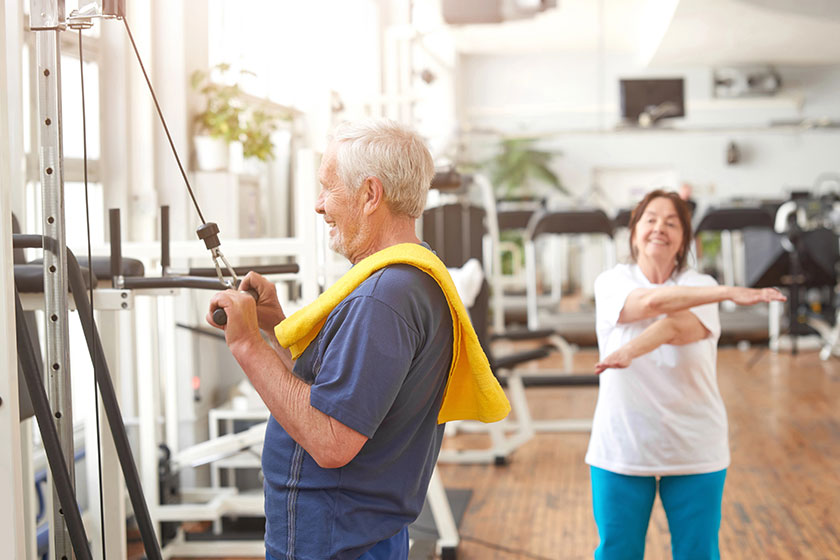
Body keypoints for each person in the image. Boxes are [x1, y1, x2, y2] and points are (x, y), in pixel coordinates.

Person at [207, 119, 507, 560]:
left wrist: (247, 345)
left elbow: (331, 440)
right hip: (357, 532)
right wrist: (273, 328)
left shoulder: (382, 299)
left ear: (370, 194)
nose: (318, 205)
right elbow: (335, 398)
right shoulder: (411, 279)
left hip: (333, 538)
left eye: (328, 188)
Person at [586, 189, 786, 560]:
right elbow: (651, 303)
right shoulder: (612, 282)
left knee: (698, 552)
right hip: (623, 442)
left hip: (694, 442)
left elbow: (676, 327)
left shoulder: (703, 287)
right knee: (617, 552)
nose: (659, 227)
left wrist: (629, 349)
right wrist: (731, 292)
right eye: (651, 219)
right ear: (634, 233)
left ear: (683, 239)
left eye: (671, 222)